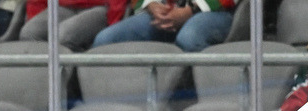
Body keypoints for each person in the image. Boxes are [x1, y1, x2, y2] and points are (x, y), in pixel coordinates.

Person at [91, 0, 234, 52]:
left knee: (188, 39)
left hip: (215, 12)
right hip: (165, 12)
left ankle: (195, 97)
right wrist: (151, 5)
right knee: (105, 40)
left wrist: (191, 10)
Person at [19, 0, 127, 51]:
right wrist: (37, 14)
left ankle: (74, 87)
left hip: (101, 8)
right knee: (29, 33)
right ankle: (43, 84)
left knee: (64, 36)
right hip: (62, 7)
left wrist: (114, 22)